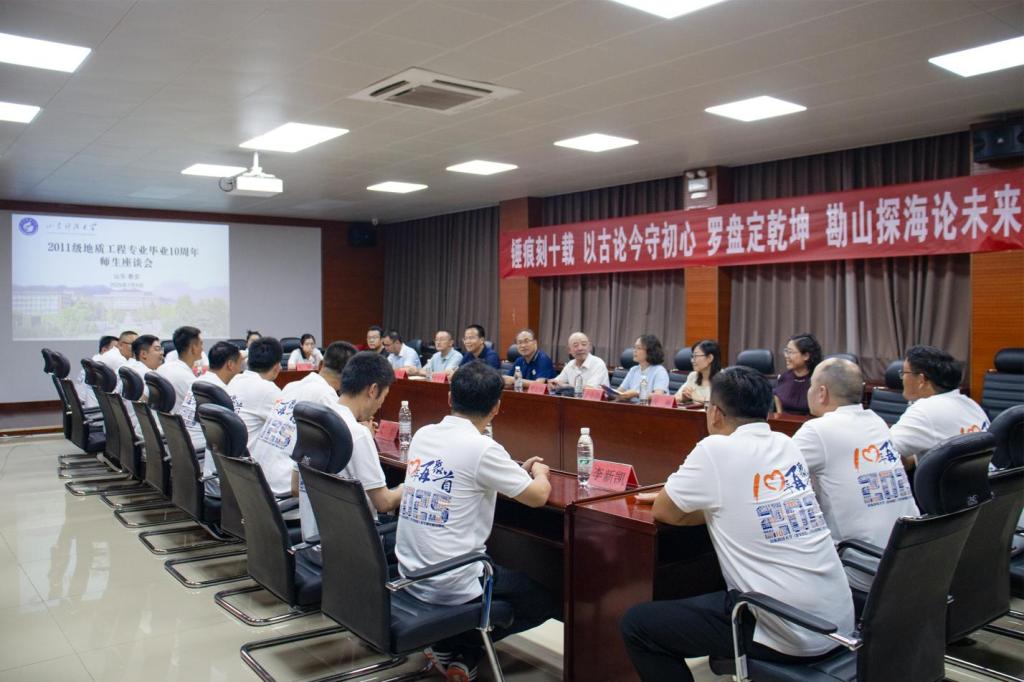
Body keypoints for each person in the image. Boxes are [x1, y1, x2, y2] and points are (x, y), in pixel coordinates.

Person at [621, 367, 855, 681]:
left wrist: (707, 507)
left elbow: (665, 511)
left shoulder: (716, 448)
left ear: (715, 413)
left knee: (638, 626)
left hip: (788, 630)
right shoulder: (786, 444)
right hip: (839, 622)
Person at [396, 362, 559, 681]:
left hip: (411, 573)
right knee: (545, 600)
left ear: (449, 398)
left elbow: (467, 474)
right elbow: (538, 496)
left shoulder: (423, 434)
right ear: (496, 407)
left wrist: (513, 472)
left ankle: (454, 649)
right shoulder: (483, 448)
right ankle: (459, 645)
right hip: (451, 582)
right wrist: (539, 473)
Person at [791, 358, 918, 592]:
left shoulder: (818, 431)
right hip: (909, 561)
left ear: (822, 393)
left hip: (861, 568)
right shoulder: (876, 421)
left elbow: (773, 474)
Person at [296, 352, 404, 549]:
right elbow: (384, 503)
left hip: (313, 543)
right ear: (373, 390)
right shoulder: (357, 434)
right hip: (355, 550)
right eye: (384, 397)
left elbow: (294, 486)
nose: (380, 405)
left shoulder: (313, 422)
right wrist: (408, 486)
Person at [249, 342, 357, 498]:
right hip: (284, 491)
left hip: (258, 484)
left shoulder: (291, 386)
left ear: (320, 364)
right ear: (349, 376)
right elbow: (350, 437)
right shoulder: (325, 394)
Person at [890, 344, 989, 468]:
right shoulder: (970, 403)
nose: (902, 378)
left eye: (904, 373)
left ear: (921, 380)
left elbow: (882, 451)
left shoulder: (925, 409)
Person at [185, 342, 244, 495]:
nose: (241, 369)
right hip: (201, 458)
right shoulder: (221, 392)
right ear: (230, 364)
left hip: (185, 452)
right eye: (240, 363)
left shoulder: (198, 382)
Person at [228, 336, 283, 454]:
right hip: (248, 462)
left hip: (228, 459)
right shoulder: (268, 390)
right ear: (276, 367)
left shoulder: (234, 380)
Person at [122, 334, 164, 436]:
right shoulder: (148, 376)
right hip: (142, 430)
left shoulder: (128, 368)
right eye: (157, 349)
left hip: (127, 427)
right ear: (143, 354)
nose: (162, 353)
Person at [156, 326, 203, 414]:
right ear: (193, 348)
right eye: (201, 344)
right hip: (180, 420)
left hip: (163, 420)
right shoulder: (188, 380)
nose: (202, 348)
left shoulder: (162, 368)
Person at [773, 333, 821, 415]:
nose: (786, 356)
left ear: (806, 356)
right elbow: (777, 397)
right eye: (786, 351)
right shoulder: (784, 378)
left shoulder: (818, 380)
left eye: (790, 352)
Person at [616, 335, 670, 401]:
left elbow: (659, 396)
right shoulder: (633, 370)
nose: (634, 351)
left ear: (650, 351)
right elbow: (620, 391)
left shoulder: (660, 371)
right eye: (634, 347)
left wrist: (637, 394)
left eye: (638, 348)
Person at [674, 339, 721, 405]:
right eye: (692, 356)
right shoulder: (693, 376)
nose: (692, 360)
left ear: (710, 358)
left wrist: (697, 398)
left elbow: (723, 405)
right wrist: (683, 398)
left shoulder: (724, 379)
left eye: (695, 356)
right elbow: (675, 398)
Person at [76, 335, 117, 409]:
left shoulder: (92, 364)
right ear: (104, 350)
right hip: (92, 410)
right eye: (115, 350)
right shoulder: (100, 370)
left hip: (81, 408)